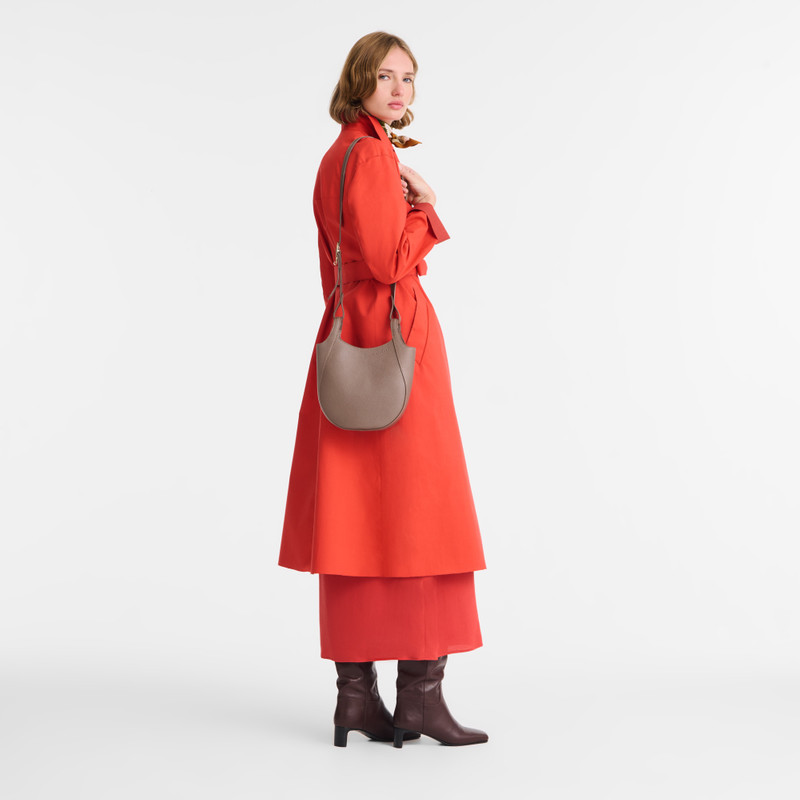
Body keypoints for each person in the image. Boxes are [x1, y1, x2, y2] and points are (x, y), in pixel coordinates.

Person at [278, 31, 488, 748]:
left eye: (409, 78)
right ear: (359, 81)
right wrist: (426, 208)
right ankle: (420, 700)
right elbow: (388, 258)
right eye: (386, 76)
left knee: (356, 521)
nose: (400, 90)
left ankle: (357, 700)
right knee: (422, 514)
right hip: (396, 341)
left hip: (352, 338)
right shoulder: (370, 156)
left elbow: (337, 263)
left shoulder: (338, 155)